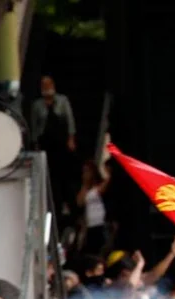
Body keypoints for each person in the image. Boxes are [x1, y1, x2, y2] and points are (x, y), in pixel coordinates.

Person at [30, 75, 77, 213]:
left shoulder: (62, 101)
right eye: (44, 86)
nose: (46, 88)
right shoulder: (37, 105)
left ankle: (67, 203)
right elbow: (34, 126)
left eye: (48, 85)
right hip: (46, 142)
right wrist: (35, 143)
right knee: (51, 176)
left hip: (61, 143)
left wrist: (71, 138)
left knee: (65, 174)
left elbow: (70, 120)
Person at [78, 159, 111, 256]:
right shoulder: (86, 188)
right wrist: (85, 183)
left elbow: (106, 184)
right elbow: (80, 202)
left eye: (87, 170)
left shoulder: (99, 186)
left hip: (100, 222)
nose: (85, 173)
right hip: (90, 224)